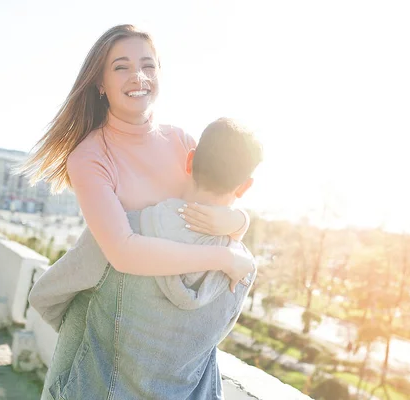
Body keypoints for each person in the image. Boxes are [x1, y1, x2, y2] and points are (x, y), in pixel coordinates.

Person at [17, 24, 256, 399]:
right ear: (100, 82)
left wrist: (241, 220)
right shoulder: (90, 156)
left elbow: (212, 207)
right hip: (103, 331)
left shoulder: (181, 141)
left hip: (162, 340)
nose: (138, 77)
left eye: (148, 65)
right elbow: (122, 251)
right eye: (121, 67)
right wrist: (224, 256)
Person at [42, 117, 263, 399]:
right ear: (245, 187)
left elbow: (50, 295)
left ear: (190, 161)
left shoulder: (122, 232)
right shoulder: (243, 267)